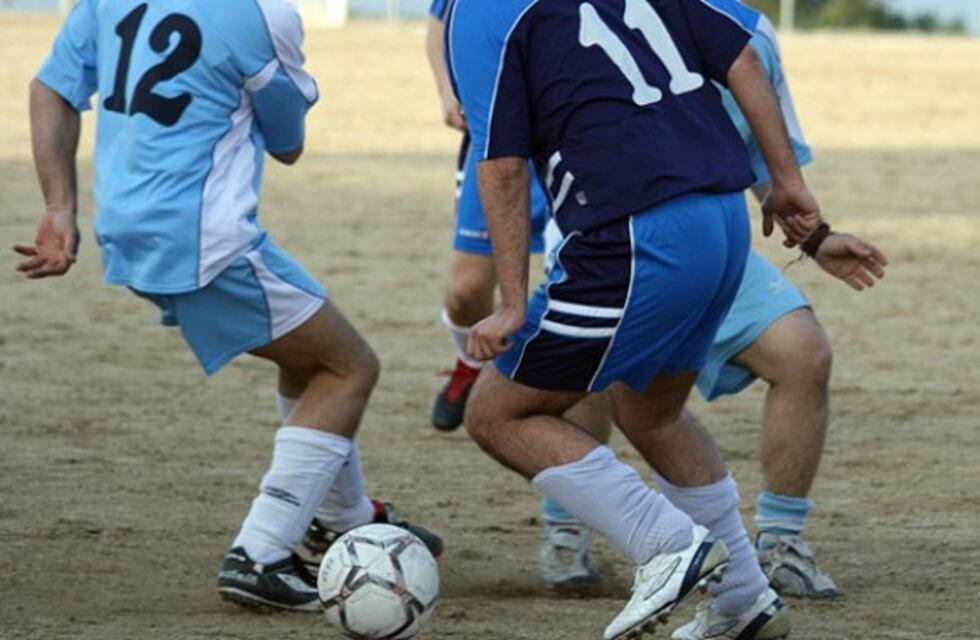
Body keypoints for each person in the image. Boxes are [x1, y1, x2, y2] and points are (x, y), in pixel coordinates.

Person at [445, 0, 881, 637]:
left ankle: (666, 544)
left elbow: (502, 162)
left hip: (632, 235)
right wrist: (787, 185)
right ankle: (743, 600)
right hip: (724, 221)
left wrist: (512, 302)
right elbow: (743, 55)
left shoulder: (479, 11)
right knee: (652, 410)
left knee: (497, 412)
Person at [17, 0, 440, 613]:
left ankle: (346, 515)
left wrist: (59, 206)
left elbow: (51, 86)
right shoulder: (263, 14)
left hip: (129, 227)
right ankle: (261, 552)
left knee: (306, 350)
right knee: (349, 367)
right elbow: (288, 145)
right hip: (205, 242)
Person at [425, 0, 552, 430]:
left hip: (578, 139)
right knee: (467, 290)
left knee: (580, 281)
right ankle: (469, 360)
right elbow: (440, 23)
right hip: (497, 138)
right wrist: (447, 92)